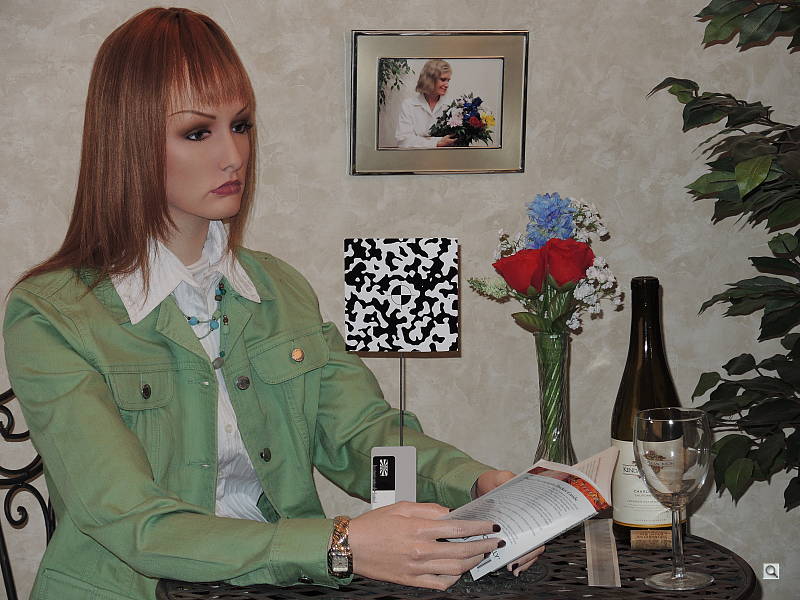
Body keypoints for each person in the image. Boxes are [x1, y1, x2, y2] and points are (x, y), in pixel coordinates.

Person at [3, 8, 543, 600]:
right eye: (197, 132)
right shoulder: (52, 315)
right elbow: (130, 520)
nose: (234, 155)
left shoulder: (277, 287)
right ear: (127, 140)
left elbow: (361, 436)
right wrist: (341, 544)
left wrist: (476, 485)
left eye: (241, 125)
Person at [395, 59, 458, 148]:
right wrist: (437, 142)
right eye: (443, 79)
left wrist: (421, 139)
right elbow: (403, 142)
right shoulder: (409, 105)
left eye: (448, 80)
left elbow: (454, 139)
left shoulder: (452, 105)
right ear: (429, 80)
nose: (447, 85)